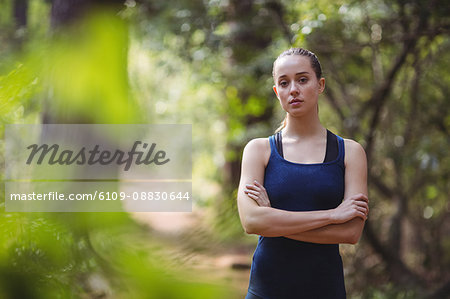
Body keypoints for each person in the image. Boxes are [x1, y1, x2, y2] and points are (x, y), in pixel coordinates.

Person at [237, 48, 369, 299]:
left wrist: (273, 221)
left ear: (320, 85)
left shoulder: (350, 152)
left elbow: (350, 233)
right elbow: (251, 222)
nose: (293, 89)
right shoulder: (258, 150)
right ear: (277, 92)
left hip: (325, 290)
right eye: (284, 83)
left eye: (302, 79)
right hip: (267, 291)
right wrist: (332, 215)